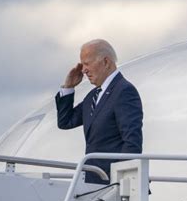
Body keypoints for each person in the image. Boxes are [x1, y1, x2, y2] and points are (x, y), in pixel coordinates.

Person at [55, 39, 143, 184]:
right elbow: (65, 121)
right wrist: (68, 87)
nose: (83, 70)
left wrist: (119, 181)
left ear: (106, 62)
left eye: (87, 63)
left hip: (112, 184)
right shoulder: (93, 96)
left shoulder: (124, 91)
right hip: (92, 182)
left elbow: (132, 143)